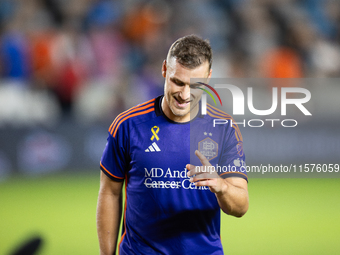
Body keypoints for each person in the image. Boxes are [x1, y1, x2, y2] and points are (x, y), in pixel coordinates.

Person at [97, 35, 249, 255]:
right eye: (177, 81)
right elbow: (110, 193)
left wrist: (221, 186)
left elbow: (241, 206)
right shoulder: (128, 126)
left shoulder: (223, 127)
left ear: (208, 78)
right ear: (164, 69)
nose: (184, 94)